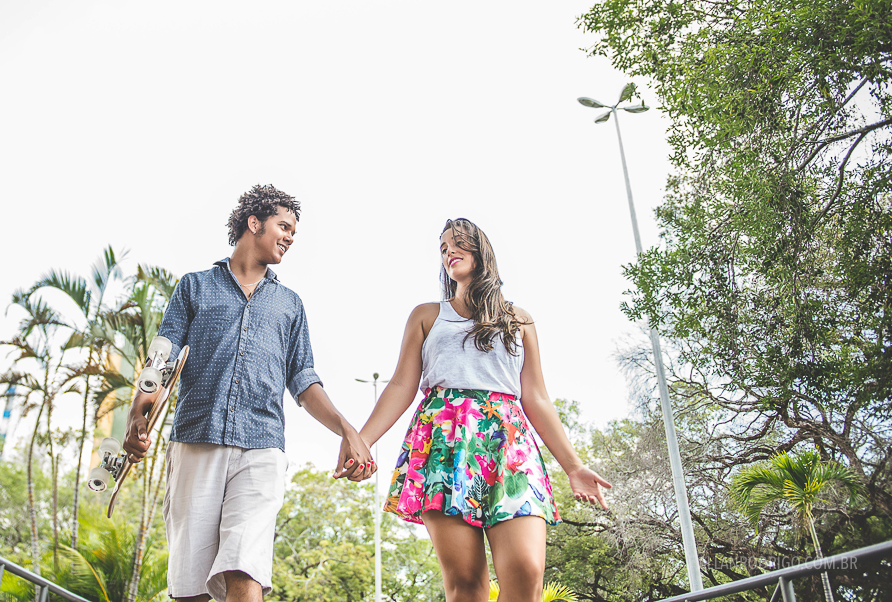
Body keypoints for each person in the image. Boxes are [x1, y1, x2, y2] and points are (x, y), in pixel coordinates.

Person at [122, 184, 374, 602]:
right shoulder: (194, 287)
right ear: (254, 223)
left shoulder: (290, 305)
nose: (290, 237)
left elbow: (304, 380)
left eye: (294, 231)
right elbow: (161, 361)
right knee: (190, 586)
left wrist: (347, 429)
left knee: (245, 566)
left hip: (262, 447)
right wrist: (138, 414)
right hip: (196, 438)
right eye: (284, 226)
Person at [349, 218, 611, 602]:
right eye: (443, 248)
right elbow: (402, 385)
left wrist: (573, 466)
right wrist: (362, 441)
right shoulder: (426, 316)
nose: (449, 251)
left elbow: (536, 397)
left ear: (481, 250)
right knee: (467, 584)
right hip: (444, 444)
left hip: (509, 445)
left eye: (457, 243)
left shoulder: (519, 320)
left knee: (526, 570)